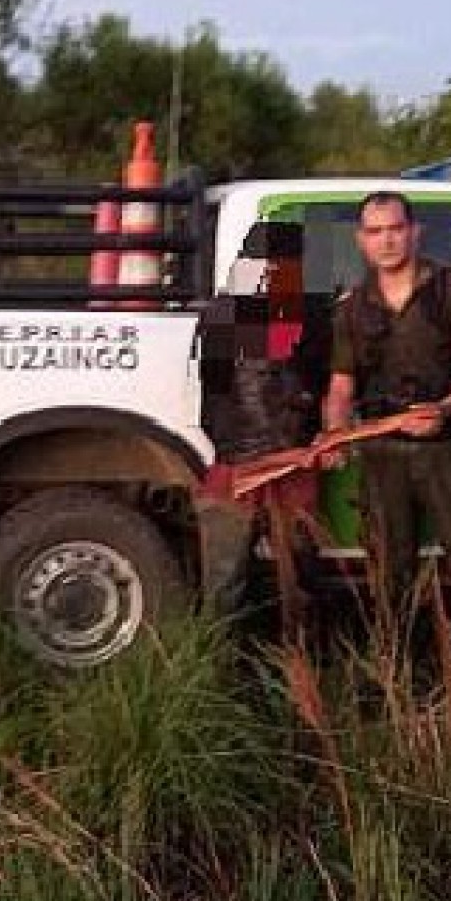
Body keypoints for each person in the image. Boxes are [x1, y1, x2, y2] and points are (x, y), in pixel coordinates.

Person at [319, 191, 451, 654]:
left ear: (414, 232)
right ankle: (393, 673)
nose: (387, 241)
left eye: (396, 229)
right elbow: (341, 386)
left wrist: (444, 409)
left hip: (449, 450)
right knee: (387, 571)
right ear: (361, 240)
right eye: (376, 232)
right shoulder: (351, 308)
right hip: (383, 455)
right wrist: (336, 433)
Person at [193, 221, 320, 626]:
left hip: (284, 461)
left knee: (294, 578)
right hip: (243, 465)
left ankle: (299, 667)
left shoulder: (309, 316)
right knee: (226, 579)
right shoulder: (227, 315)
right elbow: (214, 391)